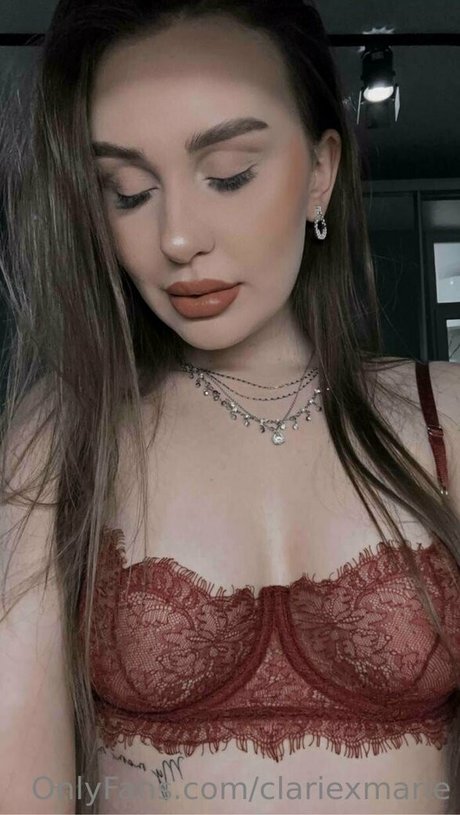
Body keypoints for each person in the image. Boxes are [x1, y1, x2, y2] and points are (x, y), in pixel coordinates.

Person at [1, 1, 460, 814]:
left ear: (320, 172)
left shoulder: (446, 418)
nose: (178, 237)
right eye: (128, 191)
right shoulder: (63, 438)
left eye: (228, 174)